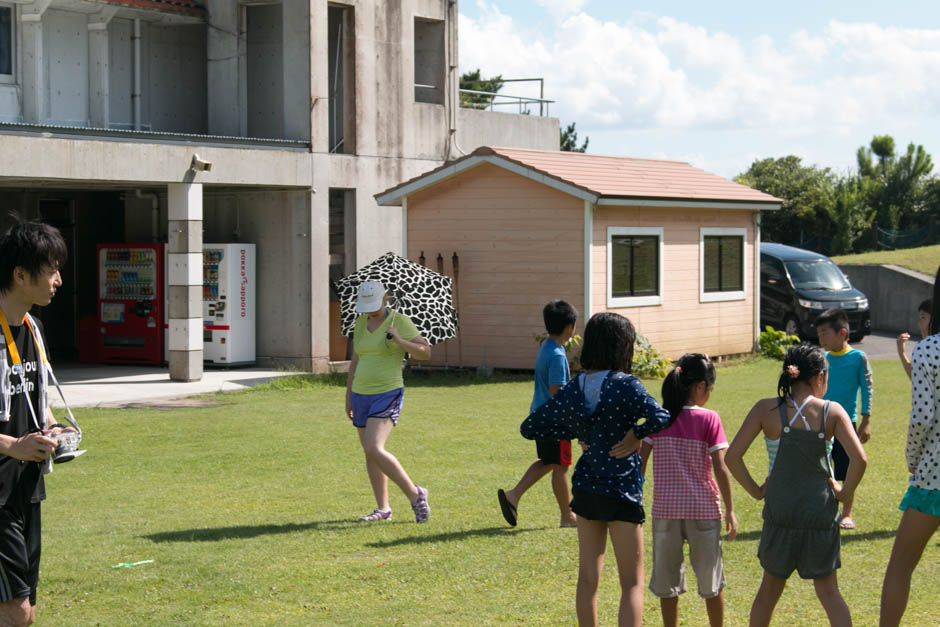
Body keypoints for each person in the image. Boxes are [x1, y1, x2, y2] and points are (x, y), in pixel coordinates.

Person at [520, 312, 673, 627]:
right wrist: (634, 436)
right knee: (631, 582)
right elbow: (661, 417)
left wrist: (579, 430)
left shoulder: (576, 387)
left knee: (588, 580)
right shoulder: (627, 384)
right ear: (621, 347)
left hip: (587, 490)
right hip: (622, 491)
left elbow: (532, 426)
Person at [725, 343, 866, 627]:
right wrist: (843, 492)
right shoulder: (832, 411)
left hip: (781, 511)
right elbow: (860, 460)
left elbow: (732, 456)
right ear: (819, 378)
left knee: (768, 592)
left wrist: (756, 491)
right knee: (829, 592)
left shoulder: (766, 409)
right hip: (819, 513)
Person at [0, 221, 71, 627]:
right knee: (17, 611)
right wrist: (11, 445)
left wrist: (53, 428)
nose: (59, 280)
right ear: (21, 274)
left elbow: (33, 399)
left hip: (26, 488)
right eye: (51, 270)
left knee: (23, 610)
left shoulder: (34, 328)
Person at [639, 354, 737, 627]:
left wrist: (635, 498)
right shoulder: (709, 419)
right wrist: (729, 509)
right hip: (703, 511)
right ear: (700, 387)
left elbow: (640, 463)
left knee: (666, 582)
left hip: (665, 512)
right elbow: (721, 468)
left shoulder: (658, 418)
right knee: (711, 582)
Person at [879, 267, 940, 626]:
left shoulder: (929, 349)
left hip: (933, 474)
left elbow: (922, 417)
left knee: (900, 566)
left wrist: (912, 459)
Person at [345, 280, 432, 523]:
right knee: (369, 454)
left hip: (387, 392)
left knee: (374, 447)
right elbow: (356, 359)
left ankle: (416, 495)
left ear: (386, 299)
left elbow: (425, 352)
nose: (371, 310)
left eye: (375, 304)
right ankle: (383, 509)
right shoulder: (361, 323)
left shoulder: (400, 322)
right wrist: (349, 395)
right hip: (361, 393)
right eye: (367, 305)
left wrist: (400, 341)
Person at [498, 299, 578, 528]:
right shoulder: (558, 356)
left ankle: (513, 495)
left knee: (549, 462)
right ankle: (567, 516)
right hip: (554, 421)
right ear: (569, 327)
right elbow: (557, 393)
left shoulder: (548, 348)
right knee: (560, 465)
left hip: (541, 416)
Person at [813, 307, 872, 530]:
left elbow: (867, 389)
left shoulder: (858, 358)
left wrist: (866, 421)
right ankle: (826, 509)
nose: (821, 339)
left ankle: (846, 514)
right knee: (822, 467)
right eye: (819, 335)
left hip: (847, 425)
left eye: (825, 334)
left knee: (847, 469)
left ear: (843, 333)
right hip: (821, 423)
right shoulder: (822, 359)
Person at [896, 298, 931, 380]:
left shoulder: (923, 347)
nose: (919, 322)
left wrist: (901, 353)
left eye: (923, 317)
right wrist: (902, 353)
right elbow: (916, 377)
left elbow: (916, 379)